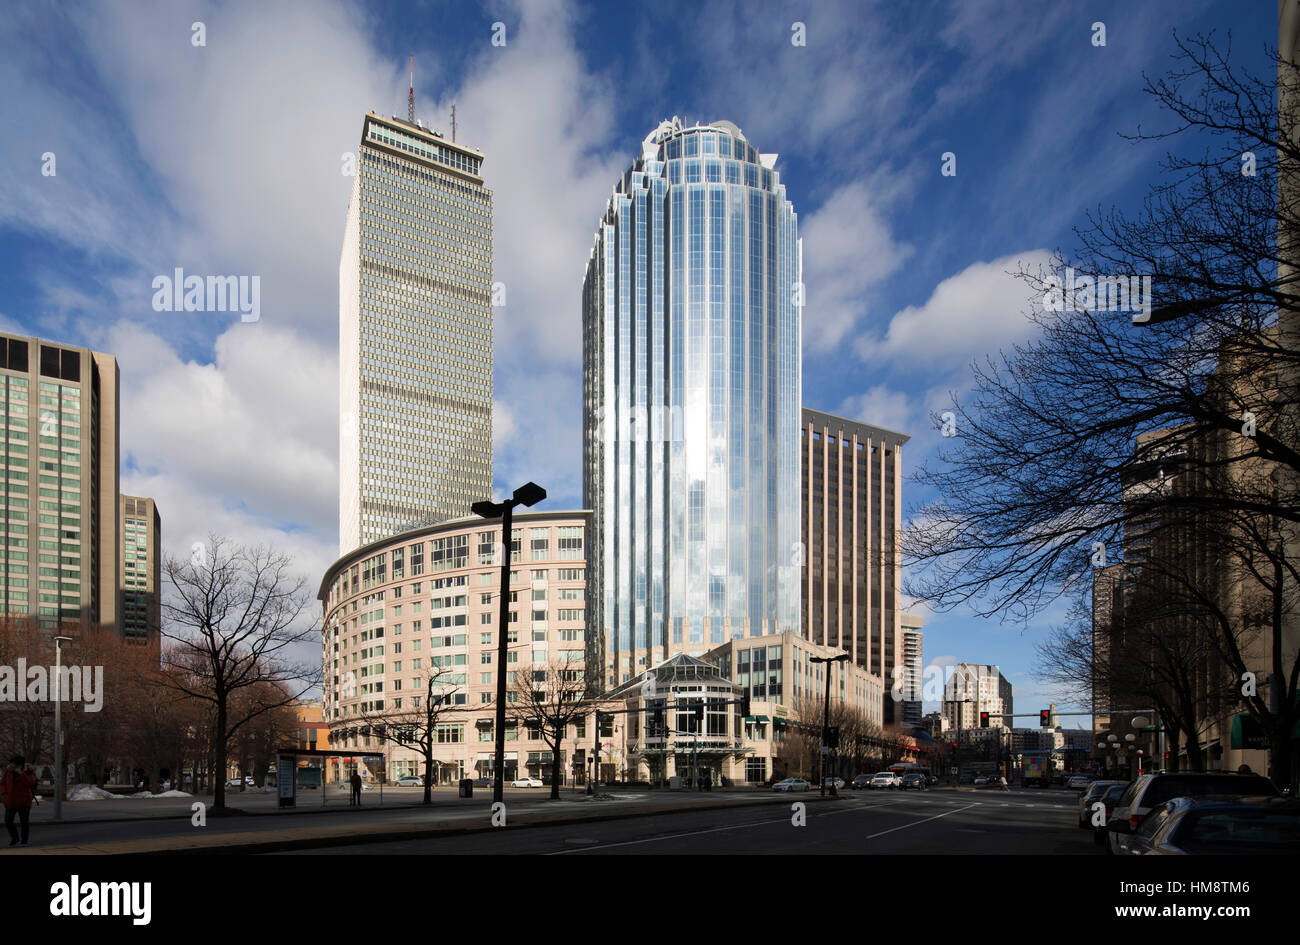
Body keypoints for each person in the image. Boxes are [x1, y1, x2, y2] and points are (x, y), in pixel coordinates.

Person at [2, 756, 36, 847]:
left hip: (24, 801)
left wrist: (21, 774)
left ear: (19, 765)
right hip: (10, 801)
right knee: (8, 821)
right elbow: (2, 783)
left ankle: (24, 840)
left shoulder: (28, 772)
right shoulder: (8, 772)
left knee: (24, 822)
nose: (11, 765)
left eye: (13, 763)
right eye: (11, 763)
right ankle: (15, 838)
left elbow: (30, 782)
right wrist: (4, 794)